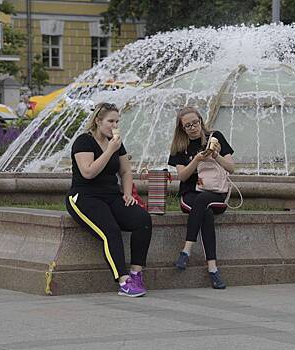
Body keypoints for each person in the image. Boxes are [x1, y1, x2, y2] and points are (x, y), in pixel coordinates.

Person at [65, 102, 152, 297]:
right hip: (84, 196)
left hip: (112, 195)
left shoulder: (116, 142)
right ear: (98, 121)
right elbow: (88, 172)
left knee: (143, 220)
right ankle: (123, 281)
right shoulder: (84, 141)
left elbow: (126, 170)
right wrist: (110, 150)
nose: (114, 125)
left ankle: (136, 273)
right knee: (110, 230)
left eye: (117, 121)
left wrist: (128, 193)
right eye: (110, 121)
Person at [168, 106, 235, 289]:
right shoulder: (180, 147)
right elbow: (182, 176)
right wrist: (196, 160)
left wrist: (216, 156)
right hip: (190, 194)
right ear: (182, 128)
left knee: (204, 201)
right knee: (203, 210)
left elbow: (231, 167)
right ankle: (213, 269)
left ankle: (186, 250)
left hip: (216, 193)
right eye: (188, 125)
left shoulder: (215, 137)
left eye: (195, 123)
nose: (193, 128)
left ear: (201, 121)